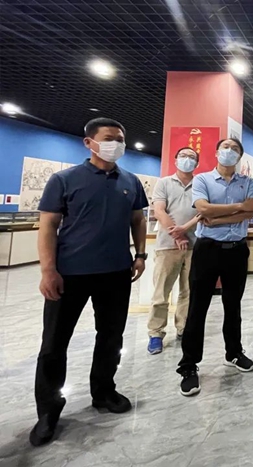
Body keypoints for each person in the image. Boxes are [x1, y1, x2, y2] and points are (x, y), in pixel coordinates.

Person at [31, 118, 149, 447]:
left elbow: (138, 219)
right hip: (70, 274)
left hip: (116, 273)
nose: (117, 144)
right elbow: (48, 226)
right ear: (89, 142)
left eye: (121, 139)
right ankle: (48, 410)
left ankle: (104, 391)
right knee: (54, 344)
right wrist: (48, 271)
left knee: (111, 337)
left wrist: (140, 254)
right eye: (110, 138)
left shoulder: (130, 181)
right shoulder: (64, 180)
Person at [177, 138, 253, 397]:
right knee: (197, 307)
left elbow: (251, 211)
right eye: (226, 147)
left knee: (233, 305)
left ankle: (234, 352)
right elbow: (203, 209)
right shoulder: (202, 180)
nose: (229, 152)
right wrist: (238, 207)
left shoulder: (248, 182)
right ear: (216, 152)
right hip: (207, 250)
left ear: (240, 156)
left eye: (235, 149)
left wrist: (218, 216)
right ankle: (189, 365)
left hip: (237, 250)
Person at [146, 147, 201, 355]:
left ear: (197, 163)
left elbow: (203, 212)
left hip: (195, 245)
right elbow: (159, 210)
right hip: (167, 245)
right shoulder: (164, 183)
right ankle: (156, 333)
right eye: (183, 156)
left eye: (192, 157)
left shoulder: (200, 184)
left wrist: (185, 231)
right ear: (176, 159)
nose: (187, 159)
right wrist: (178, 235)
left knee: (189, 291)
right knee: (161, 292)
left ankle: (183, 327)